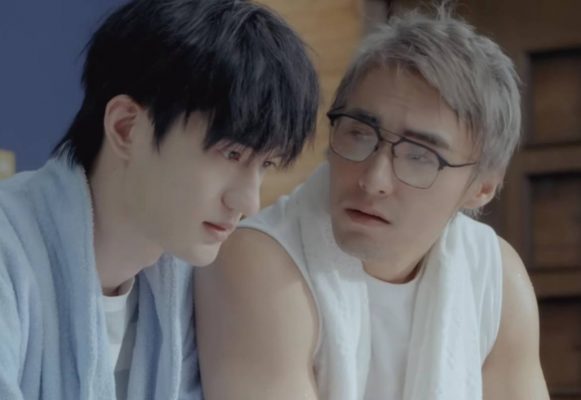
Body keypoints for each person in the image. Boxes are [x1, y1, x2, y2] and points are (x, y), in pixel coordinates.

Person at [195, 5, 550, 400]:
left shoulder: (495, 279)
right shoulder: (261, 259)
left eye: (419, 156)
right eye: (359, 133)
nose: (373, 180)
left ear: (482, 188)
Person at [0, 0, 319, 398]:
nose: (248, 202)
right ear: (127, 127)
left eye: (266, 164)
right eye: (231, 154)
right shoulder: (9, 252)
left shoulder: (187, 289)